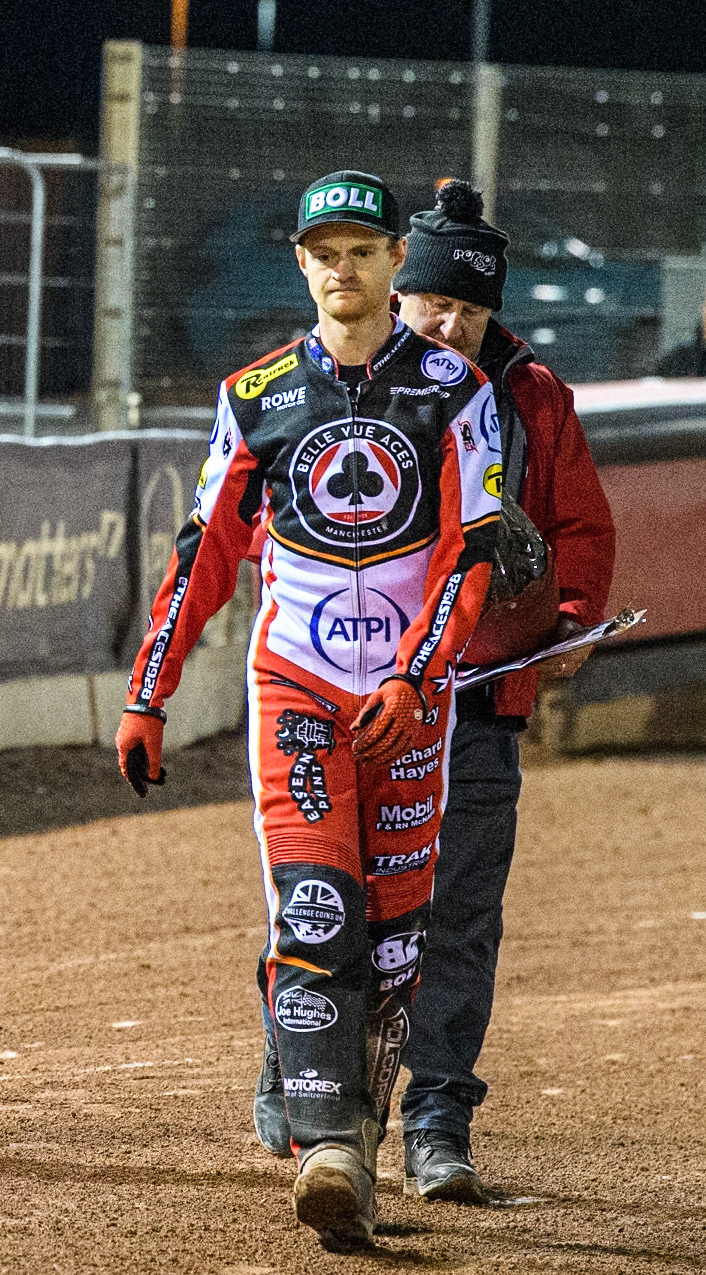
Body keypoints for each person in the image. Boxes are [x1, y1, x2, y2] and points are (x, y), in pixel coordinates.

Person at [114, 171, 502, 1250]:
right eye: (322, 251)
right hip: (292, 685)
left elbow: (471, 557)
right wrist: (150, 692)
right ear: (300, 263)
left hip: (409, 704)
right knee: (315, 909)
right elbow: (205, 551)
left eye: (362, 251)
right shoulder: (252, 395)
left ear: (392, 264)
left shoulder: (455, 392)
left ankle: (355, 1140)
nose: (342, 268)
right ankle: (324, 1143)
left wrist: (417, 678)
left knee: (390, 945)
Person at [384, 180, 614, 1201]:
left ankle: (436, 1127)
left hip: (478, 701)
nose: (450, 325)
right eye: (435, 305)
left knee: (459, 918)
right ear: (398, 291)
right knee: (334, 908)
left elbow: (580, 532)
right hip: (359, 705)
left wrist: (568, 625)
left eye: (470, 311)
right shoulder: (330, 386)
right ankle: (312, 1099)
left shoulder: (531, 394)